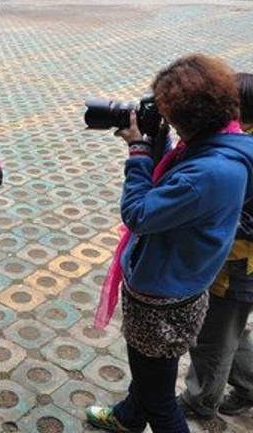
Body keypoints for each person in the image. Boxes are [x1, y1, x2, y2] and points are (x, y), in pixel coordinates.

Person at [85, 54, 253, 433]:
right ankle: (129, 417)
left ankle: (139, 415)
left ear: (189, 120)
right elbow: (176, 188)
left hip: (161, 300)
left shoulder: (208, 171)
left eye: (169, 116)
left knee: (160, 401)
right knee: (149, 372)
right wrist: (158, 141)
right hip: (182, 284)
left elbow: (139, 213)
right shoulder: (225, 145)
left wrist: (138, 151)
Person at [181, 72, 253, 419]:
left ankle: (200, 401)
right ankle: (249, 385)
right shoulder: (241, 142)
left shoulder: (242, 155)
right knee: (232, 331)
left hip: (237, 267)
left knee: (213, 338)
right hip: (238, 265)